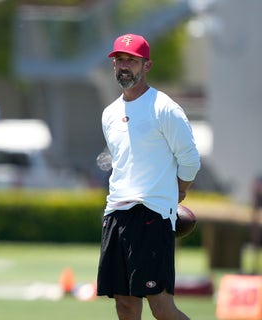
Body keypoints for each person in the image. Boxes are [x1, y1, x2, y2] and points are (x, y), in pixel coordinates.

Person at [96, 33, 201, 320]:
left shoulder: (164, 108)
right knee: (125, 304)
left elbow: (190, 159)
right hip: (116, 213)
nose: (124, 65)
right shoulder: (109, 113)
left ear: (147, 66)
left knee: (161, 306)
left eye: (131, 60)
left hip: (151, 214)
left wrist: (179, 192)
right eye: (119, 59)